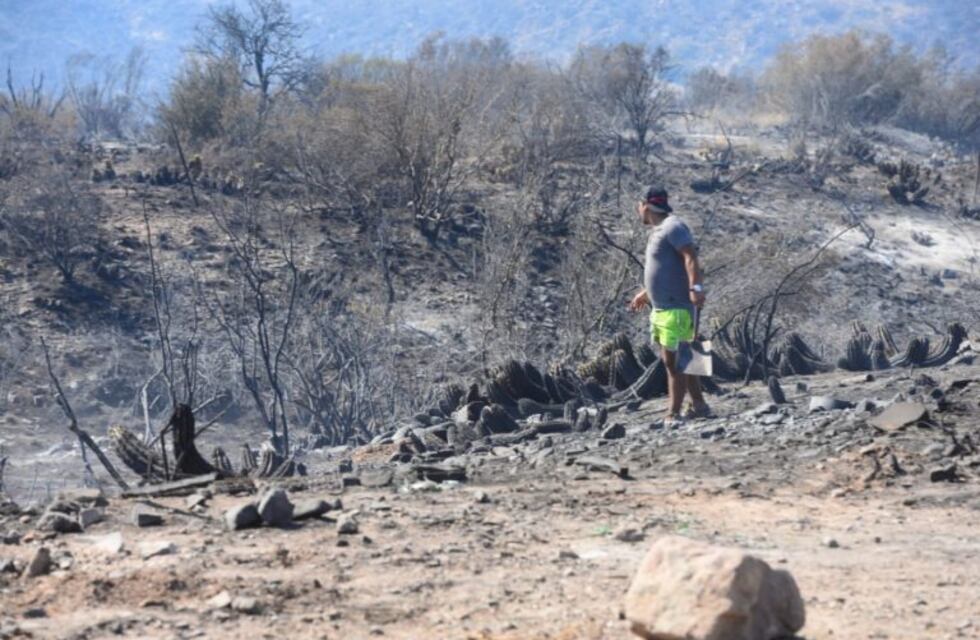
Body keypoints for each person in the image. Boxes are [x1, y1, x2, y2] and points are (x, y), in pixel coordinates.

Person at [627, 185, 711, 425]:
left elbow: (691, 257)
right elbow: (667, 268)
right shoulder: (660, 230)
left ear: (645, 205)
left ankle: (672, 415)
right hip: (664, 307)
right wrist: (646, 293)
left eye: (638, 205)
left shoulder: (674, 226)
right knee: (688, 357)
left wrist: (696, 289)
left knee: (673, 363)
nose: (638, 210)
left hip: (677, 307)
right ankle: (700, 406)